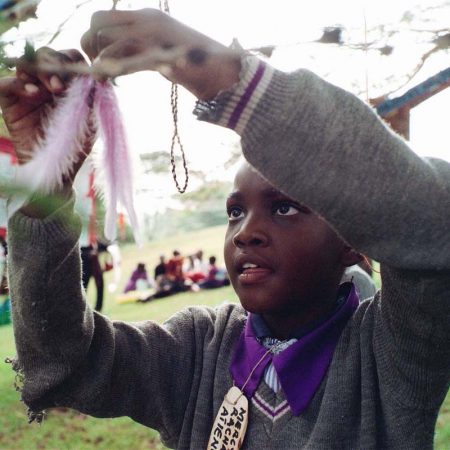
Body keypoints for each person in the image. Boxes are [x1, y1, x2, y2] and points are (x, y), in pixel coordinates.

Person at [2, 9, 449, 450]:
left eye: (287, 208)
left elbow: (434, 223)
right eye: (235, 211)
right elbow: (67, 362)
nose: (246, 232)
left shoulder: (395, 350)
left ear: (354, 236)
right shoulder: (198, 349)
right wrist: (46, 187)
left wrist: (224, 75)